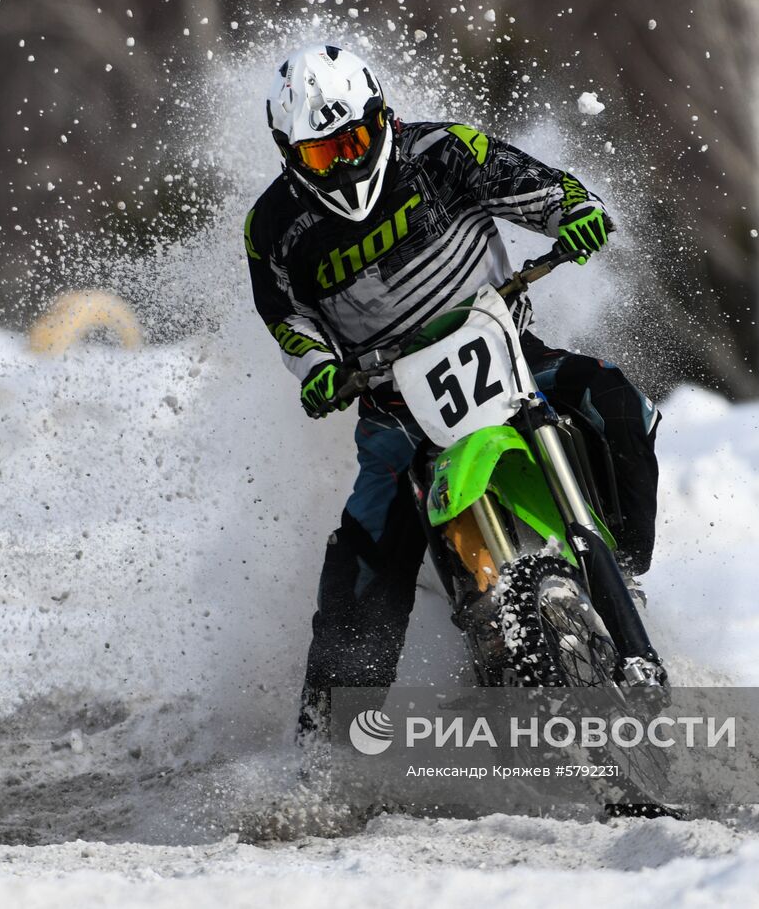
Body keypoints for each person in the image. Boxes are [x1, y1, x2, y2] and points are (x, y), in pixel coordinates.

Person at [243, 45, 661, 740]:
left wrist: (574, 211)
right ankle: (325, 749)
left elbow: (540, 185)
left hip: (513, 355)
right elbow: (285, 318)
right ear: (291, 155)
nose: (345, 164)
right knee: (360, 564)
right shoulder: (274, 229)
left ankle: (621, 568)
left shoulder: (444, 151)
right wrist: (317, 367)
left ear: (382, 116)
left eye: (353, 140)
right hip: (392, 413)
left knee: (621, 404)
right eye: (323, 156)